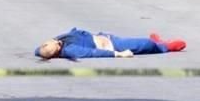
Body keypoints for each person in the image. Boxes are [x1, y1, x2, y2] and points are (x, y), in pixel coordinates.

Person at [36, 28, 186, 60]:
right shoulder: (71, 50)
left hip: (105, 37)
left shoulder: (51, 46)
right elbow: (94, 53)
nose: (58, 41)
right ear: (58, 51)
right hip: (113, 45)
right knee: (145, 44)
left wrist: (46, 47)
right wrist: (118, 54)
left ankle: (157, 42)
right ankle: (164, 46)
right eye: (58, 44)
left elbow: (38, 51)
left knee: (141, 42)